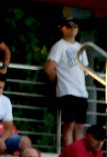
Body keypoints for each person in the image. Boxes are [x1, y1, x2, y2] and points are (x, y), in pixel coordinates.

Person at [45, 18, 87, 147]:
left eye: (75, 25)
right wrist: (59, 82)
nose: (73, 28)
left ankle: (78, 155)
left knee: (79, 126)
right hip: (67, 92)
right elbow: (49, 68)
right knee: (70, 124)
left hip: (81, 92)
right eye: (69, 26)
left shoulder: (81, 47)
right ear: (63, 28)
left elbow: (85, 69)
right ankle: (69, 154)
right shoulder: (59, 46)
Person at [0, 72, 31, 157]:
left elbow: (9, 127)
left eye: (0, 87)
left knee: (25, 141)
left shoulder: (5, 101)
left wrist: (1, 140)